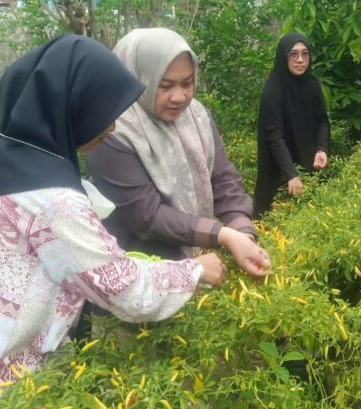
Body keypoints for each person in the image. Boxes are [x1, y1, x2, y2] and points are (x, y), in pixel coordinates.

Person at [0, 35, 227, 391]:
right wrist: (195, 271)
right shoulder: (53, 201)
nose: (112, 127)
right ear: (72, 108)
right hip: (9, 379)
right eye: (105, 114)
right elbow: (124, 288)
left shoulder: (6, 157)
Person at [85, 28, 270, 277]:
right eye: (165, 85)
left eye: (187, 83)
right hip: (143, 273)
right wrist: (224, 235)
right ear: (135, 79)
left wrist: (243, 232)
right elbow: (147, 216)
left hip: (202, 265)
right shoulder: (111, 131)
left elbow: (224, 180)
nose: (179, 97)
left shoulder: (196, 116)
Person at [254, 32, 330, 218]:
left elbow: (322, 120)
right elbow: (274, 135)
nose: (300, 60)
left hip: (308, 164)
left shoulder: (312, 85)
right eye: (293, 54)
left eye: (305, 54)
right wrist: (291, 174)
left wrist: (322, 148)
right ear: (283, 56)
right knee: (274, 222)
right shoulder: (273, 91)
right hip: (279, 169)